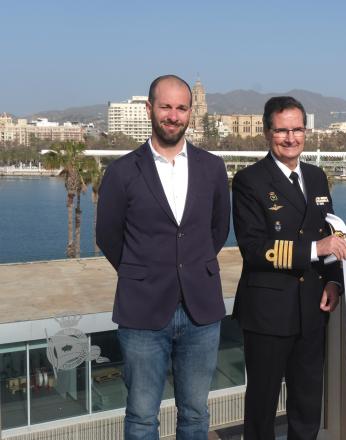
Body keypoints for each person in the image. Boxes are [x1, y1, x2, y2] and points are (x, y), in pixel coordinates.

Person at [96, 75, 230, 440]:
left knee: (196, 413)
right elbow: (108, 235)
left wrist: (189, 268)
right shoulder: (122, 171)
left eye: (181, 108)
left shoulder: (213, 168)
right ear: (149, 110)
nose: (173, 115)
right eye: (166, 106)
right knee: (141, 416)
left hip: (201, 312)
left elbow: (217, 231)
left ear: (191, 112)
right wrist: (143, 273)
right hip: (142, 312)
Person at [232, 96, 346, 440]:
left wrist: (334, 283)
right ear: (267, 133)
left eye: (297, 129)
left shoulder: (316, 177)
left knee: (307, 404)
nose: (290, 138)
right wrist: (316, 249)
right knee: (262, 409)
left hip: (313, 307)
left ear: (306, 132)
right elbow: (254, 249)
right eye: (282, 130)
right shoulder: (249, 181)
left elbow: (331, 232)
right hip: (269, 311)